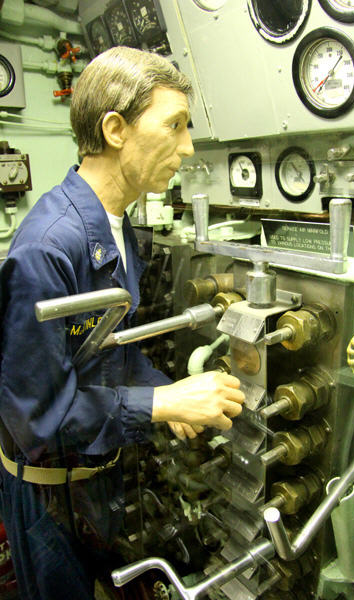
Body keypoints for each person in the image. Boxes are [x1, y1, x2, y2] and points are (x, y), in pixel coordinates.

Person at [0, 47, 244, 600]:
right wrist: (162, 406)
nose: (186, 147)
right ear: (115, 129)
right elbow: (35, 419)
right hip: (46, 495)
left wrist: (169, 390)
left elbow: (110, 348)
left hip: (96, 477)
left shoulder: (117, 226)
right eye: (174, 126)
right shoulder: (47, 248)